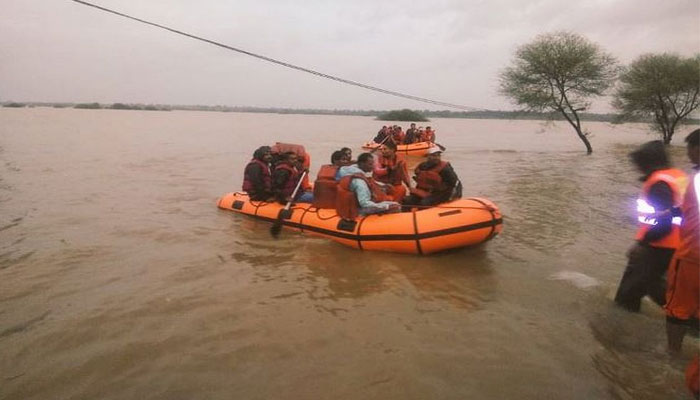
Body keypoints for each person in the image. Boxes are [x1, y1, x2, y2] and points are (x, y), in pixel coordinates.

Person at [614, 140, 688, 312]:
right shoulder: (677, 176)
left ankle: (686, 319)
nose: (637, 169)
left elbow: (663, 222)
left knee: (631, 291)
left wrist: (641, 244)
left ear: (647, 163)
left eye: (638, 164)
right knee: (650, 285)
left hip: (661, 245)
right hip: (680, 243)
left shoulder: (658, 184)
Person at [665, 129, 699, 357]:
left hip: (692, 255)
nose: (687, 155)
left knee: (677, 308)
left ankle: (672, 355)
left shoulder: (698, 179)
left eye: (689, 149)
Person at [336, 152, 401, 219]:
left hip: (353, 204)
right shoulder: (360, 183)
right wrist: (386, 207)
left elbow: (369, 181)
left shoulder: (349, 170)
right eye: (370, 164)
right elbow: (365, 204)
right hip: (359, 210)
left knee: (391, 203)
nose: (373, 166)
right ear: (362, 164)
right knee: (396, 206)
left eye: (373, 163)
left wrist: (383, 185)